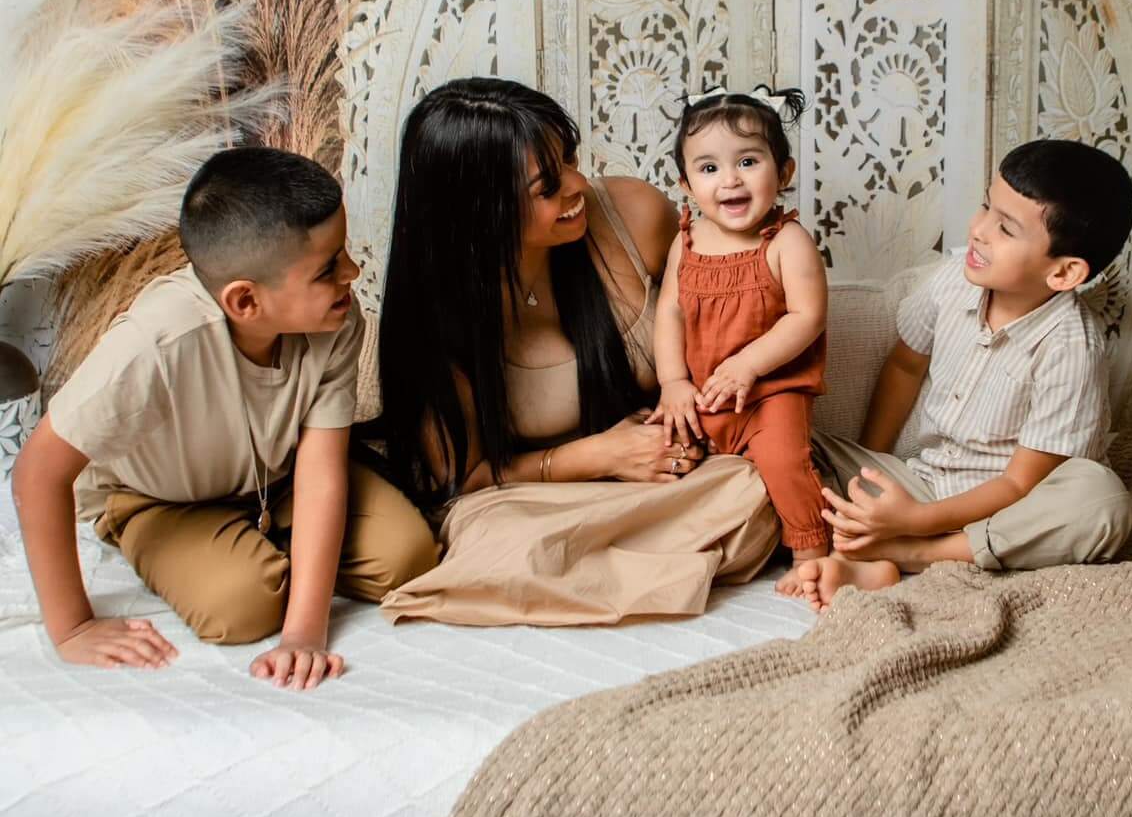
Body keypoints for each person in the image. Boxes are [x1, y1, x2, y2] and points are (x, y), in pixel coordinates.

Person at [13, 147, 436, 690]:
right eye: (330, 267)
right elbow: (37, 471)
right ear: (244, 301)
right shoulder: (157, 342)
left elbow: (321, 467)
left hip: (279, 480)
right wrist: (72, 627)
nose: (353, 273)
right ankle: (241, 550)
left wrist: (304, 634)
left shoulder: (336, 319)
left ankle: (278, 542)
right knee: (242, 607)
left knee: (408, 557)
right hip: (163, 499)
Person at [375, 77, 778, 627]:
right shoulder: (439, 318)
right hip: (539, 500)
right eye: (547, 186)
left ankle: (626, 567)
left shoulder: (635, 216)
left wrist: (681, 416)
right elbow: (461, 482)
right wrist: (601, 456)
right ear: (479, 211)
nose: (578, 184)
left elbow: (737, 320)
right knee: (503, 541)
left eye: (569, 160)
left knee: (755, 485)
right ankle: (654, 561)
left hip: (669, 483)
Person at [804, 138, 1132, 614]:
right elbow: (904, 365)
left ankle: (911, 554)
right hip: (920, 483)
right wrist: (873, 478)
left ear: (1063, 273)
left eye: (1005, 228)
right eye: (985, 206)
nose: (978, 231)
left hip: (1001, 511)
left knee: (1101, 502)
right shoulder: (953, 280)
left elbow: (1020, 486)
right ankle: (869, 544)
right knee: (782, 439)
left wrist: (913, 524)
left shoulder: (1070, 346)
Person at [653, 87, 829, 578]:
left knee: (781, 459)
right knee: (661, 451)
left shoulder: (787, 242)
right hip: (704, 392)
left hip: (770, 392)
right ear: (687, 185)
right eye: (709, 169)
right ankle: (676, 548)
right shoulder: (685, 241)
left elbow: (806, 317)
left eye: (748, 161)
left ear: (785, 172)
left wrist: (748, 365)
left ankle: (811, 553)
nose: (729, 179)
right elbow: (669, 312)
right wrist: (672, 383)